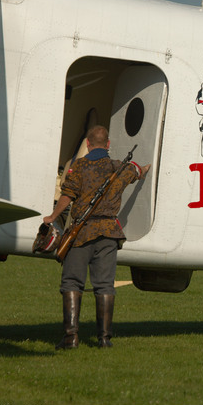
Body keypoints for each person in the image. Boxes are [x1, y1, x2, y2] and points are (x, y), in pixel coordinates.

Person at [43, 126, 150, 349]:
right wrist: (148, 167)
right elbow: (140, 171)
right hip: (109, 233)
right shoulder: (118, 167)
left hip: (81, 233)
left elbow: (67, 196)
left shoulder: (79, 166)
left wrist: (53, 216)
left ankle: (71, 337)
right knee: (104, 285)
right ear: (108, 144)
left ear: (88, 144)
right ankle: (104, 339)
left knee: (72, 282)